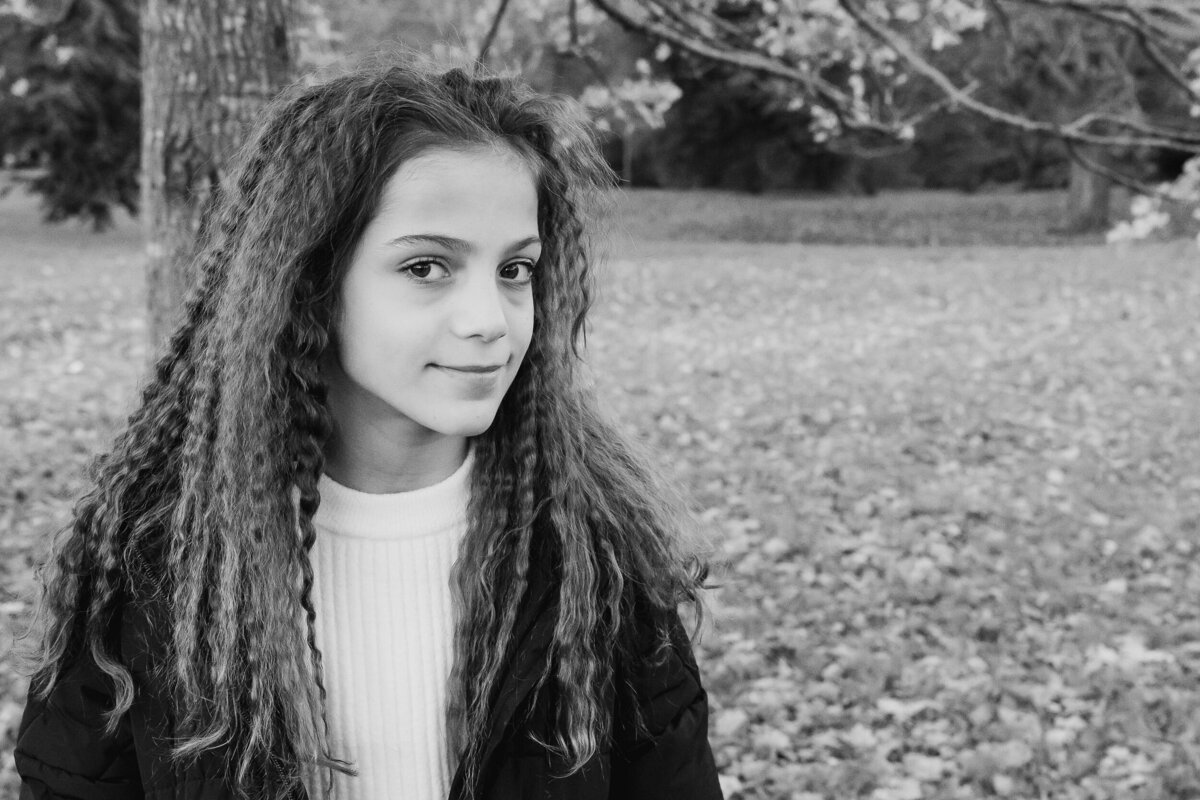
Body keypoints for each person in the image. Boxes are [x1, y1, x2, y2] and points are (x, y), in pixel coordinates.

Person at [14, 60, 722, 800]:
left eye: (516, 270)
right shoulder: (156, 563)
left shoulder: (595, 555)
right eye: (427, 267)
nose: (489, 319)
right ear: (311, 283)